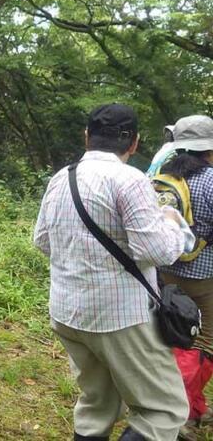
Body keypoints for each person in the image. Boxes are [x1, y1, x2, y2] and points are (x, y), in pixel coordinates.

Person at [33, 103, 190, 441]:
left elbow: (42, 240)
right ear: (134, 142)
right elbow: (157, 251)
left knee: (97, 404)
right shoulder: (130, 180)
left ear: (86, 136)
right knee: (163, 410)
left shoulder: (61, 177)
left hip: (67, 312)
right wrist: (173, 225)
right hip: (119, 318)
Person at [159, 115, 213, 441]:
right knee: (203, 342)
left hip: (166, 271)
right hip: (202, 275)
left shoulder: (164, 173)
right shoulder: (211, 179)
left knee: (174, 336)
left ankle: (196, 406)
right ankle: (179, 413)